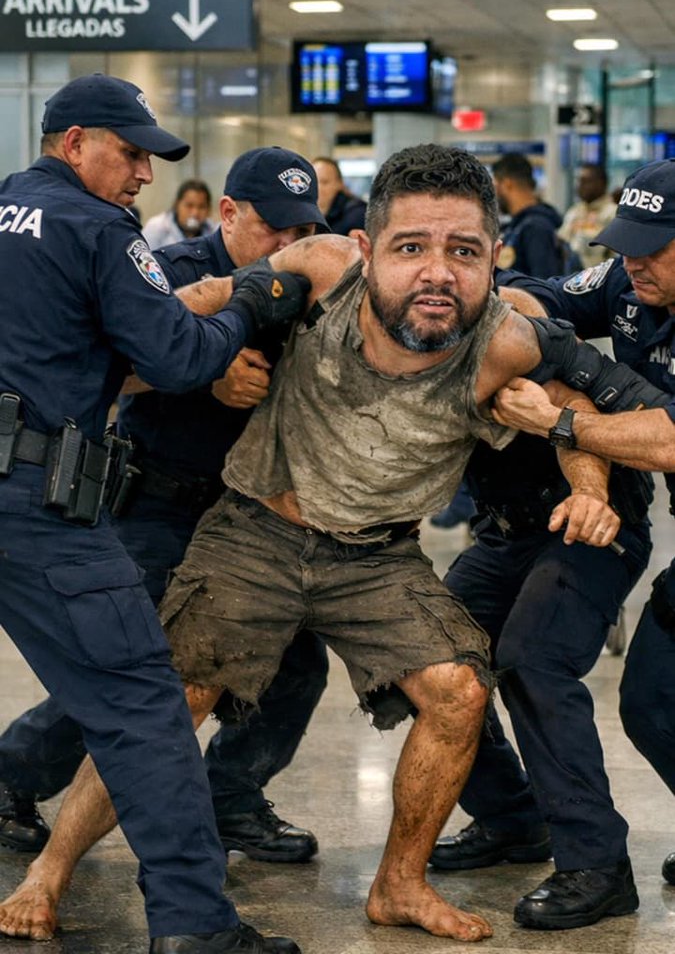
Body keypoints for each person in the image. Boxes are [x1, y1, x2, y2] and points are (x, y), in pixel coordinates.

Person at [4, 143, 632, 946]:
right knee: (168, 700)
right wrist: (187, 368)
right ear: (369, 247)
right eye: (411, 247)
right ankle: (48, 869)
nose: (435, 271)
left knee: (457, 691)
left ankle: (397, 885)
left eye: (461, 250)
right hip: (255, 533)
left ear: (491, 257)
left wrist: (588, 488)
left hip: (378, 556)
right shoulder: (321, 272)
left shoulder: (503, 331)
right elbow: (186, 308)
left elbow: (567, 393)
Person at [0, 72, 309, 954]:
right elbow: (177, 357)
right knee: (145, 707)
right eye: (129, 153)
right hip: (40, 504)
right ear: (74, 144)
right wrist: (256, 293)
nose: (142, 174)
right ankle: (194, 924)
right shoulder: (101, 230)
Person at [474, 159, 675, 920]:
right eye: (627, 243)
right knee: (655, 701)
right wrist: (520, 334)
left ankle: (594, 867)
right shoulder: (627, 280)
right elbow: (536, 299)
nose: (633, 261)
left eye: (654, 247)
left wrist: (559, 417)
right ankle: (514, 821)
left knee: (647, 692)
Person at [430, 402, 652, 931]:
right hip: (506, 534)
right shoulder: (417, 348)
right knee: (429, 659)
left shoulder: (535, 337)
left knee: (534, 661)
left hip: (593, 527)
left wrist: (592, 491)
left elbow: (581, 409)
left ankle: (598, 862)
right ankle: (512, 819)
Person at [493, 153, 567, 278]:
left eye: (495, 186)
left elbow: (544, 285)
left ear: (507, 184)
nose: (494, 194)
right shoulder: (517, 225)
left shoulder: (536, 227)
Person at [558, 163, 616, 269]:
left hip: (601, 276)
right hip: (571, 277)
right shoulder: (575, 211)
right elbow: (562, 241)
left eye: (586, 182)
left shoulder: (613, 212)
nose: (580, 186)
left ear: (602, 183)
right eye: (579, 181)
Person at [143, 177, 215, 246]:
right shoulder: (155, 228)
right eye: (189, 206)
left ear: (208, 209)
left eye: (201, 207)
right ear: (176, 205)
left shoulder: (214, 232)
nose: (195, 213)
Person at [313, 157, 367, 235]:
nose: (318, 187)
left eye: (324, 182)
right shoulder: (305, 215)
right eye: (314, 181)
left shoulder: (357, 215)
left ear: (339, 184)